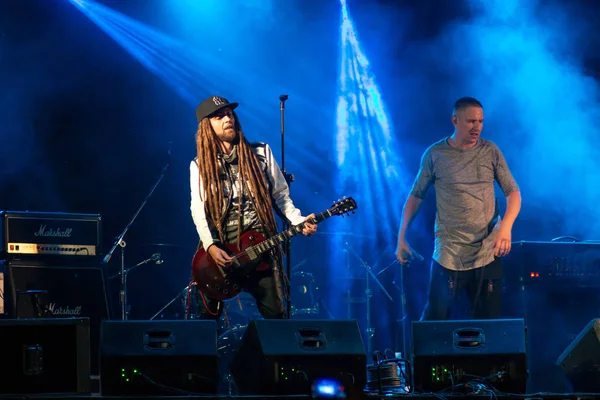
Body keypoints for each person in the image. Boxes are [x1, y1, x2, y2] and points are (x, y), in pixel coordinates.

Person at [189, 95, 318, 321]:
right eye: (219, 116)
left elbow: (281, 196)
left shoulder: (261, 153)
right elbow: (198, 210)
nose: (227, 118)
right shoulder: (200, 165)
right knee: (205, 324)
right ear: (206, 127)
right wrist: (210, 246)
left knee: (277, 320)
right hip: (222, 254)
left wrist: (297, 220)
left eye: (229, 114)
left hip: (262, 248)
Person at [395, 96, 521, 320]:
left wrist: (506, 228)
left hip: (487, 251)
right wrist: (402, 237)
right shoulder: (435, 154)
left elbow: (513, 193)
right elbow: (415, 196)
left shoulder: (490, 151)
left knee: (488, 323)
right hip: (449, 253)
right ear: (455, 120)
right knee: (435, 318)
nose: (477, 127)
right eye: (471, 121)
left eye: (481, 121)